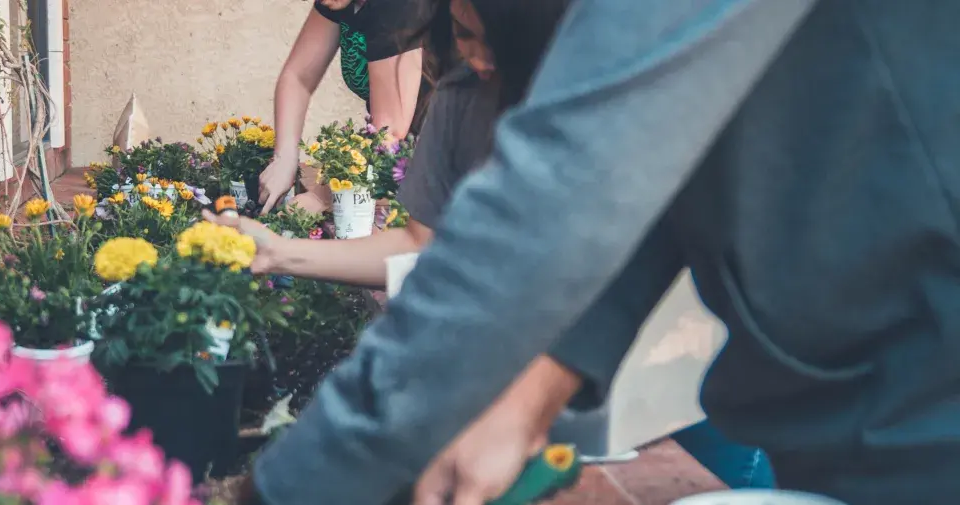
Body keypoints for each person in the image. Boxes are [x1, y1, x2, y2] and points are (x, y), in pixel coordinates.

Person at [235, 0, 960, 504]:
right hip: (840, 402)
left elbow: (563, 188)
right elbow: (646, 184)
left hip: (923, 409)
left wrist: (291, 486)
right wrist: (525, 403)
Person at [256, 0, 437, 215]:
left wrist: (321, 196)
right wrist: (284, 158)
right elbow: (298, 78)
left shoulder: (399, 5)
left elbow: (389, 133)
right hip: (406, 155)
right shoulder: (337, 1)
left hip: (451, 152)